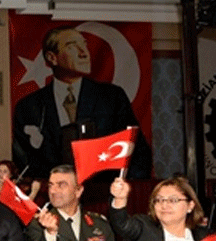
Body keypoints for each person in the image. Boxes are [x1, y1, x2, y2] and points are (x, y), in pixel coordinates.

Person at [12, 26, 151, 180]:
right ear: (52, 57)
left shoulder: (112, 98)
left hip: (103, 190)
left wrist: (124, 188)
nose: (84, 53)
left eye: (84, 44)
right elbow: (24, 161)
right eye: (72, 46)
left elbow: (137, 150)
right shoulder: (29, 106)